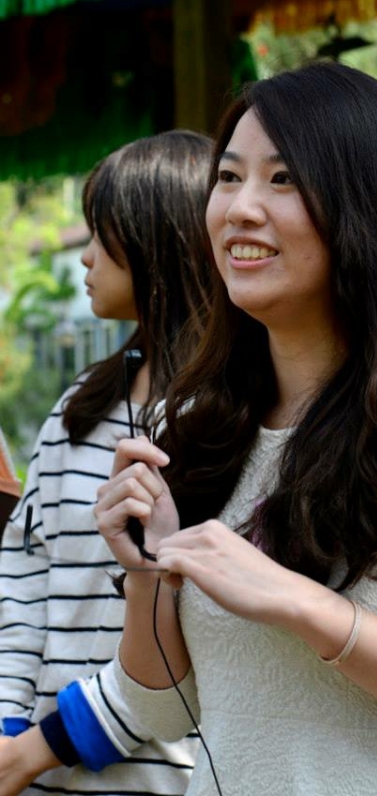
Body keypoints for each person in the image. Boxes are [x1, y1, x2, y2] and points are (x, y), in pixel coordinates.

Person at [95, 63, 377, 796]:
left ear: (368, 208)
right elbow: (162, 713)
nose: (240, 208)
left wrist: (301, 604)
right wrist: (148, 573)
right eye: (228, 177)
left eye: (283, 180)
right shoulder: (201, 428)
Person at [0, 130, 214, 795]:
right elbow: (22, 573)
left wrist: (42, 747)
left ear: (160, 245)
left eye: (103, 234)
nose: (86, 256)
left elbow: (196, 637)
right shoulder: (79, 405)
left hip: (163, 778)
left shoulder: (224, 422)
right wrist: (7, 729)